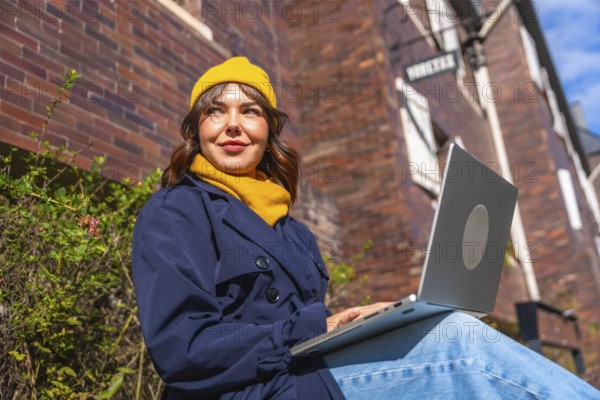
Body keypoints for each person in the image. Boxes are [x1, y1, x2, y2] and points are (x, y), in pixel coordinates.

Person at [132, 57, 600, 399]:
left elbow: (309, 331)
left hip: (303, 377)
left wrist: (363, 325)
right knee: (463, 350)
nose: (233, 125)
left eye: (250, 111)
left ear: (268, 132)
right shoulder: (175, 211)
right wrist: (315, 326)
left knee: (449, 327)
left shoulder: (292, 230)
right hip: (246, 393)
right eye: (216, 111)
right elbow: (181, 348)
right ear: (196, 128)